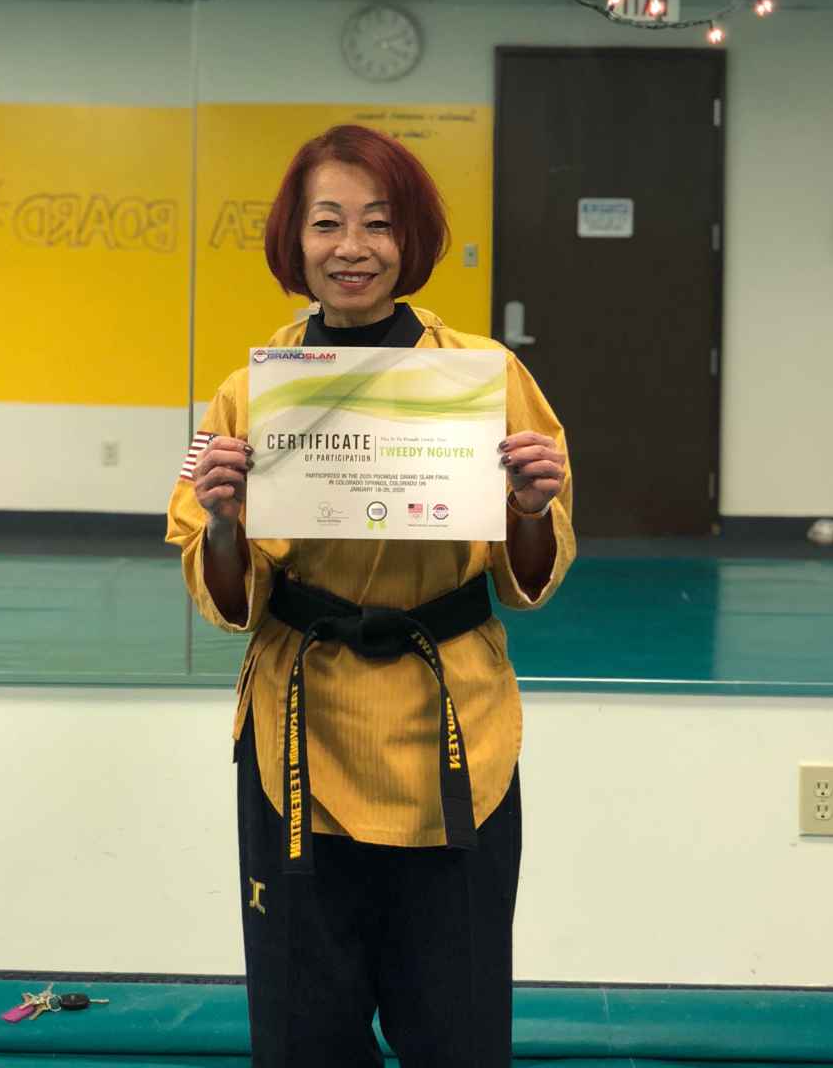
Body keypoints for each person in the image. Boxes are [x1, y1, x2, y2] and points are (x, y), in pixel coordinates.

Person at [166, 124, 574, 1068]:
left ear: (411, 239)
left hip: (452, 729)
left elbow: (529, 576)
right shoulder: (244, 394)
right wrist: (222, 520)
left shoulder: (486, 377)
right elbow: (222, 591)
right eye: (327, 223)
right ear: (294, 240)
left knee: (458, 1031)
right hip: (299, 733)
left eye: (378, 223)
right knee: (305, 1032)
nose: (351, 247)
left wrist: (529, 505)